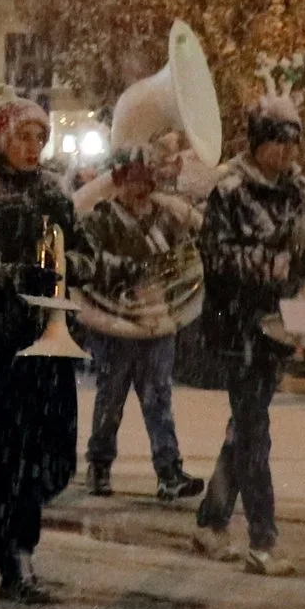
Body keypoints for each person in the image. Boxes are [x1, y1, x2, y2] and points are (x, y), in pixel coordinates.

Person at [0, 98, 93, 602]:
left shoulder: (55, 192)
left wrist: (67, 264)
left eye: (38, 139)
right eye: (22, 138)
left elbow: (84, 251)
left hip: (48, 341)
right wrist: (16, 277)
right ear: (1, 141)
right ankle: (17, 560)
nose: (32, 149)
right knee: (10, 457)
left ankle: (1, 519)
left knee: (57, 460)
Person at [193, 94, 305, 576]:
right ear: (258, 143)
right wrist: (274, 263)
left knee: (246, 426)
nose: (287, 155)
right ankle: (264, 536)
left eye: (293, 144)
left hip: (279, 322)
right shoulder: (229, 192)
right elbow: (218, 257)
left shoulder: (302, 191)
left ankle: (211, 519)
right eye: (278, 145)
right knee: (253, 430)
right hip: (238, 324)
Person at [76, 134, 205, 502]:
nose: (140, 188)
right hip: (117, 322)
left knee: (158, 397)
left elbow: (186, 259)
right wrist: (130, 272)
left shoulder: (167, 218)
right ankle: (99, 465)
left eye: (146, 180)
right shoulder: (101, 220)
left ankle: (169, 471)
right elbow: (91, 263)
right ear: (118, 181)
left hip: (157, 321)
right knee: (111, 396)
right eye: (132, 179)